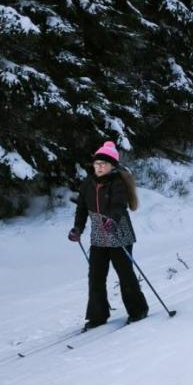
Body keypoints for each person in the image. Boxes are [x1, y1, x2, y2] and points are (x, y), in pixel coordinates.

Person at [68, 141, 148, 329]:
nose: (100, 166)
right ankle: (98, 315)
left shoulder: (117, 182)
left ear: (112, 165)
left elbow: (118, 206)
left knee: (125, 274)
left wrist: (111, 220)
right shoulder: (88, 183)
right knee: (95, 276)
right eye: (97, 163)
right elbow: (81, 208)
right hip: (98, 234)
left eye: (104, 163)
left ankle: (138, 310)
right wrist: (77, 229)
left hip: (118, 230)